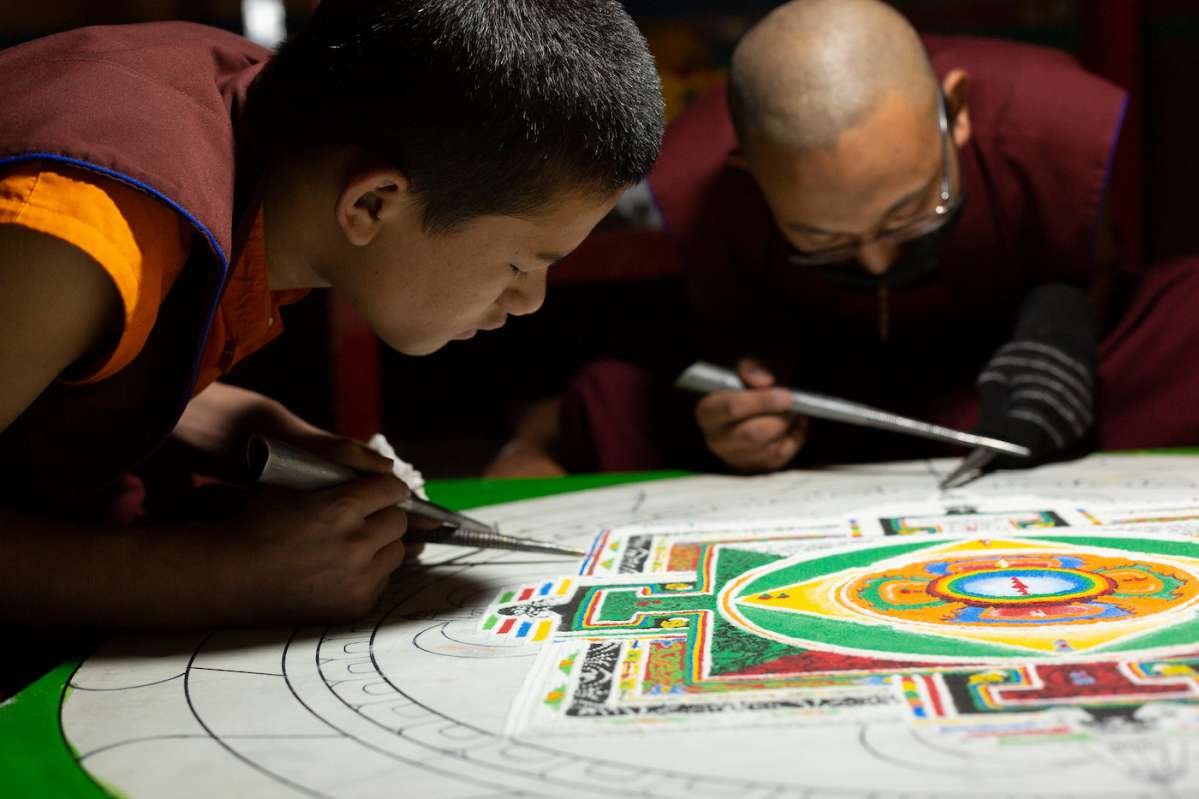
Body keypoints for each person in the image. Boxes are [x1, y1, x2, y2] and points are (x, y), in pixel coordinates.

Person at [0, 0, 664, 635]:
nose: (530, 300)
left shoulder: (282, 130)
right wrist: (211, 574)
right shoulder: (84, 230)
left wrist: (257, 431)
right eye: (520, 264)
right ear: (373, 203)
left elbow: (87, 365)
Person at [492, 0, 1197, 477]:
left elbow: (1095, 264)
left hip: (999, 366)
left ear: (953, 114)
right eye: (823, 237)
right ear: (750, 173)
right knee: (614, 397)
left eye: (909, 214)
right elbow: (728, 326)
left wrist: (1060, 328)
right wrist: (748, 401)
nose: (877, 259)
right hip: (831, 393)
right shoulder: (703, 176)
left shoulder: (1047, 115)